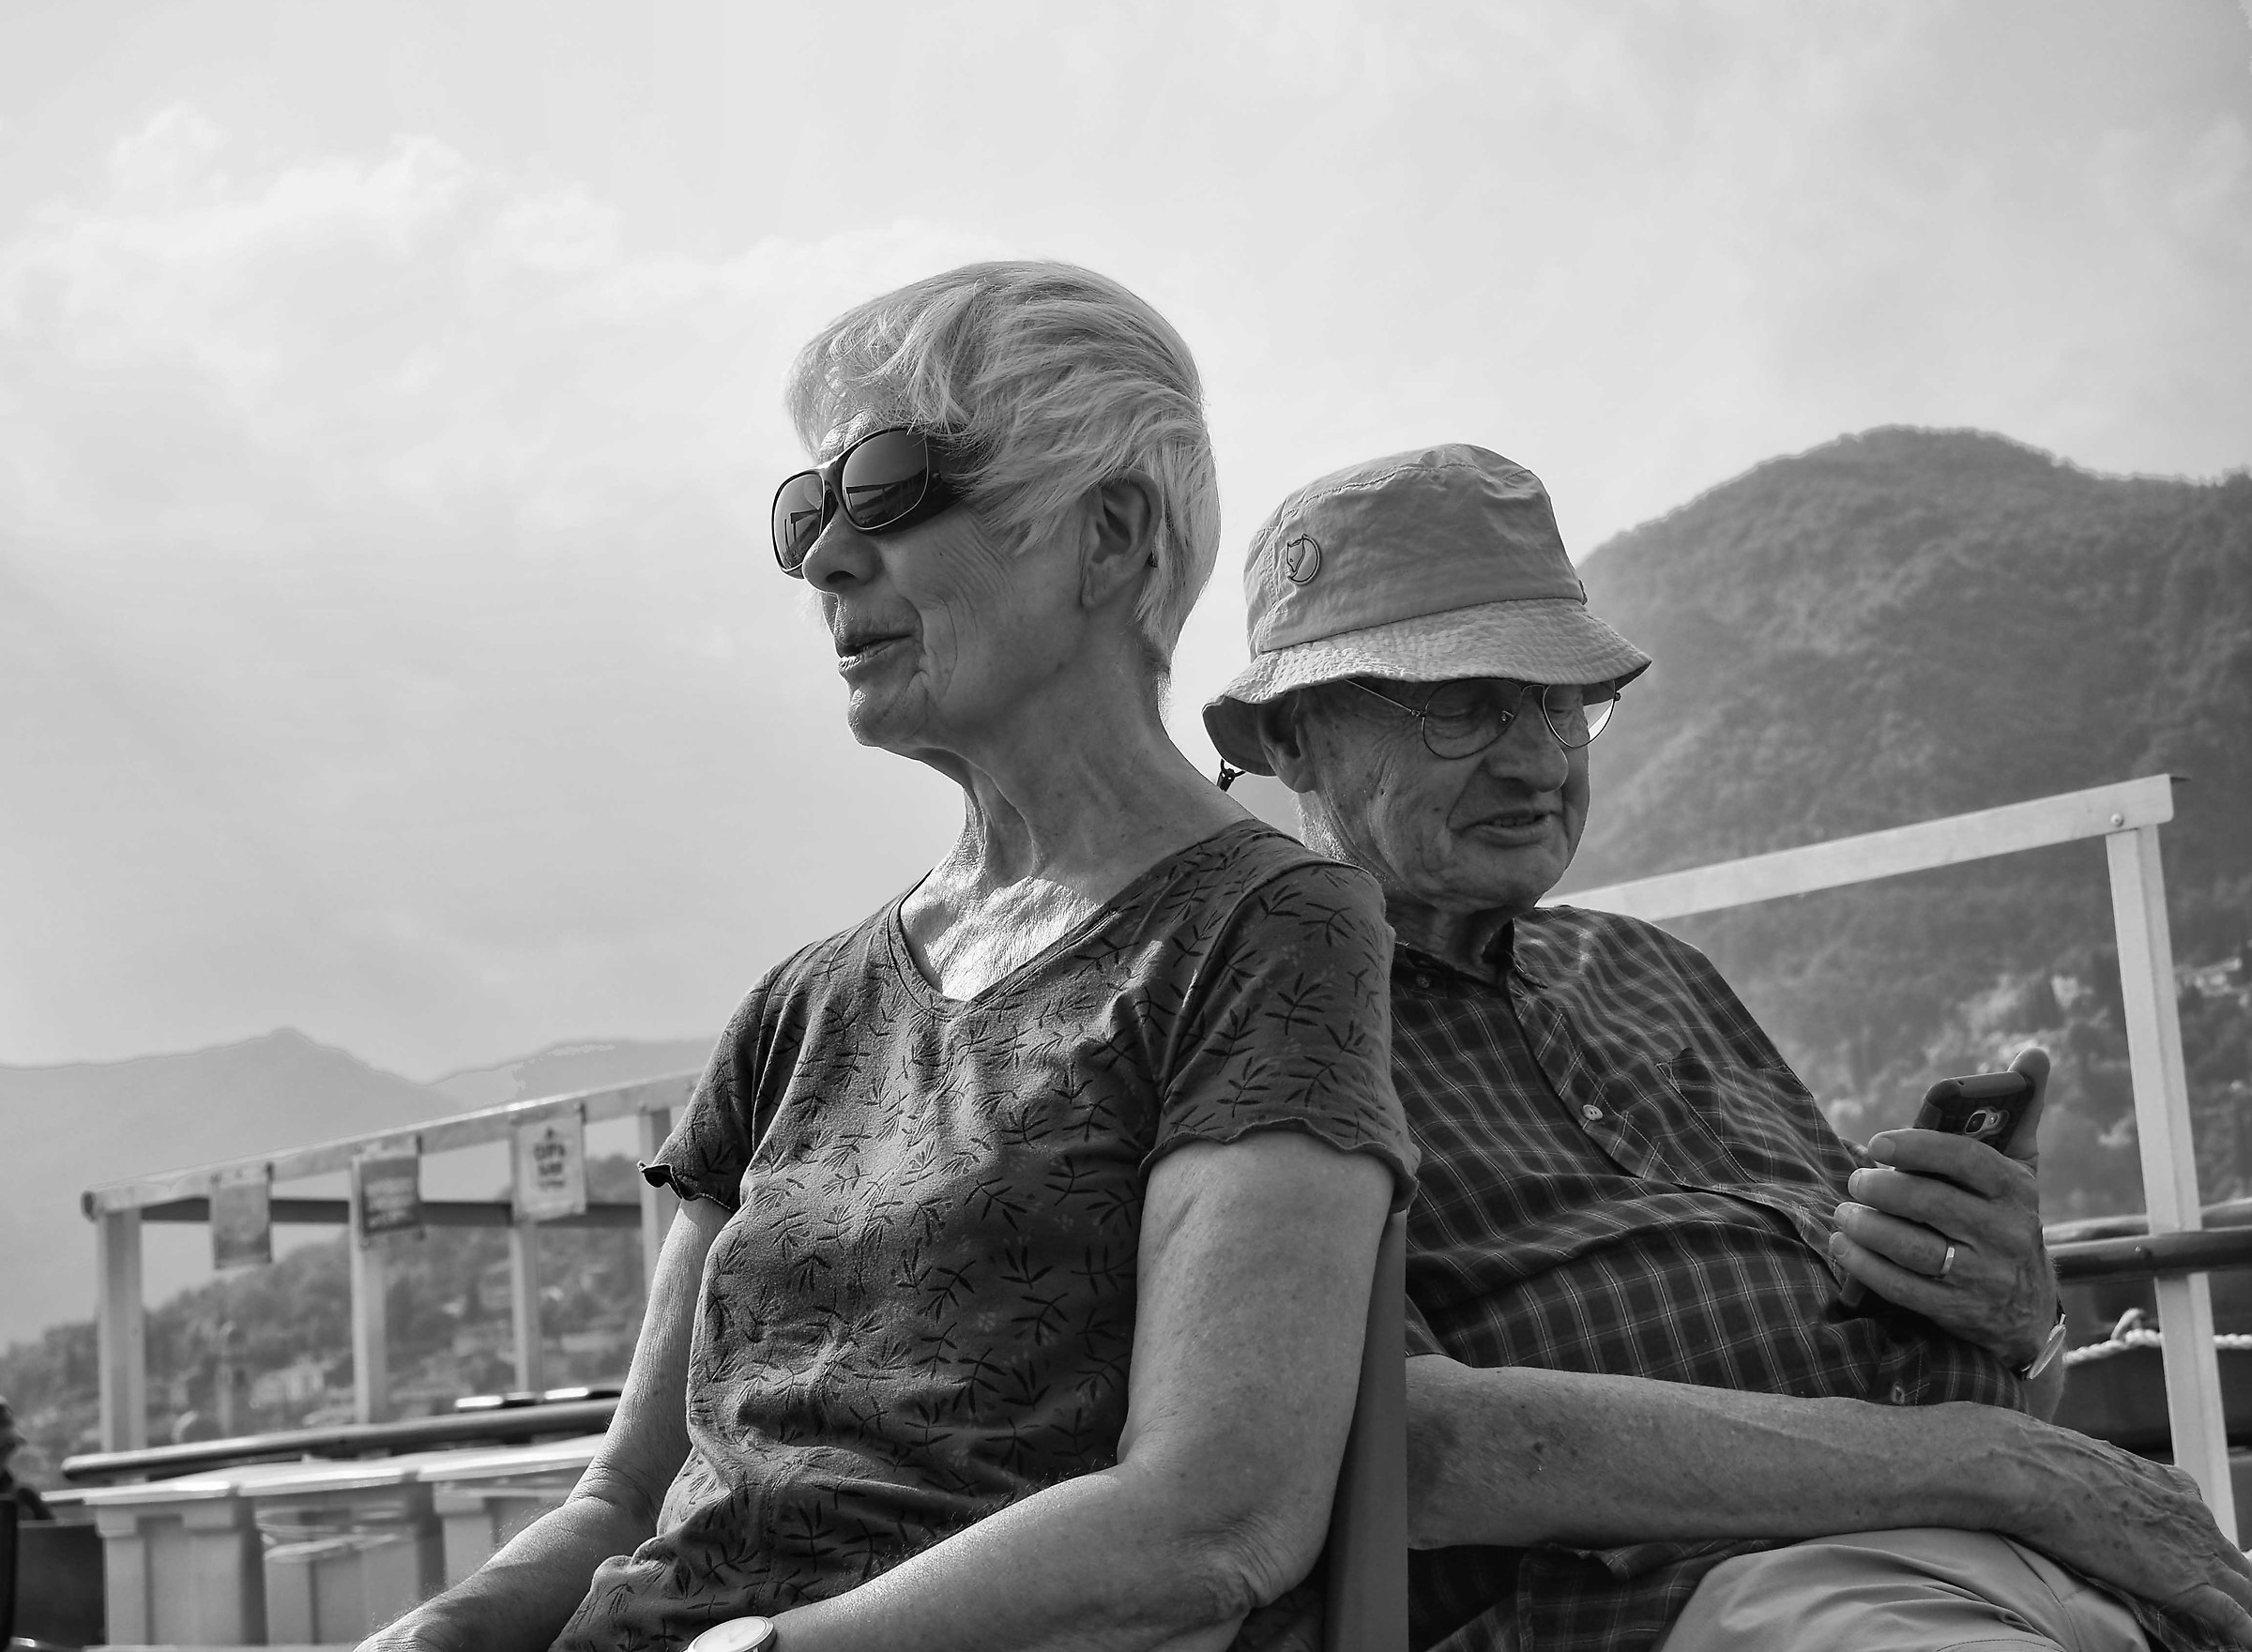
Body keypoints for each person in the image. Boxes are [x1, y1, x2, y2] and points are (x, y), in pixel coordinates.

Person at [366, 263, 1415, 1652]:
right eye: (809, 511)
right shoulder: (799, 1007)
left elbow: (1214, 1516)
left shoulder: (1263, 928)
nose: (823, 560)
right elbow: (627, 1497)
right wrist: (436, 1633)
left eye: (891, 489)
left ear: (1111, 536)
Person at [1202, 443, 2252, 1652]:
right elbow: (1423, 1456)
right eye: (1460, 705)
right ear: (1292, 741)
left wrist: (2017, 1322)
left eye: (1557, 701)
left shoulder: (1646, 969)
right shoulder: (1270, 1022)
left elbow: (1947, 1383)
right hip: (1714, 1602)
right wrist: (1999, 1463)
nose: (1538, 758)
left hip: (2016, 1560)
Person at [0, 1397, 53, 1522]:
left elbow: (58, 1538)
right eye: (3, 1448)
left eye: (10, 1446)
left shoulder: (25, 1498)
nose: (7, 1454)